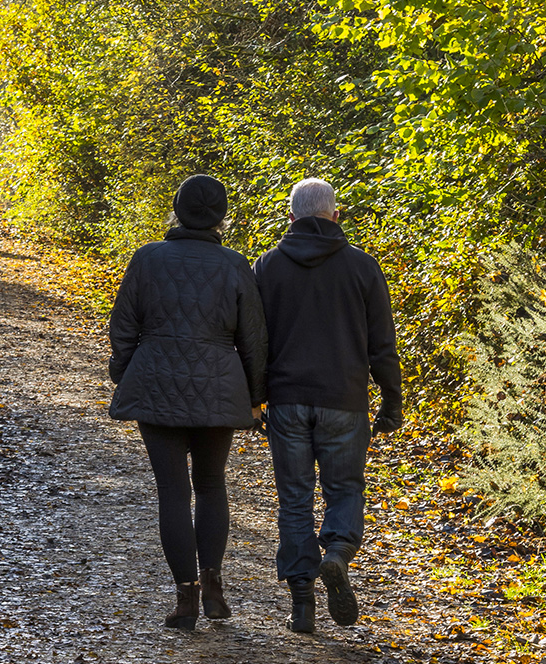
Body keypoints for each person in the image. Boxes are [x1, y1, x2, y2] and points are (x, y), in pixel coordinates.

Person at [108, 174, 267, 630]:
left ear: (177, 211)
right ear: (221, 216)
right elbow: (253, 338)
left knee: (173, 492)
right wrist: (256, 398)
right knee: (212, 485)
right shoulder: (236, 265)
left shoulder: (147, 259)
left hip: (156, 383)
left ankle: (185, 598)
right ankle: (213, 582)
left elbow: (124, 326)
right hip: (218, 387)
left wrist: (127, 373)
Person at [252, 177, 403, 633]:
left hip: (288, 400)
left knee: (294, 500)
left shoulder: (268, 266)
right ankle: (337, 554)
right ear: (335, 215)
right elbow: (382, 344)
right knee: (345, 490)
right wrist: (391, 401)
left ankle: (302, 603)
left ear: (291, 217)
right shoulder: (363, 267)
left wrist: (255, 400)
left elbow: (255, 342)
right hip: (345, 400)